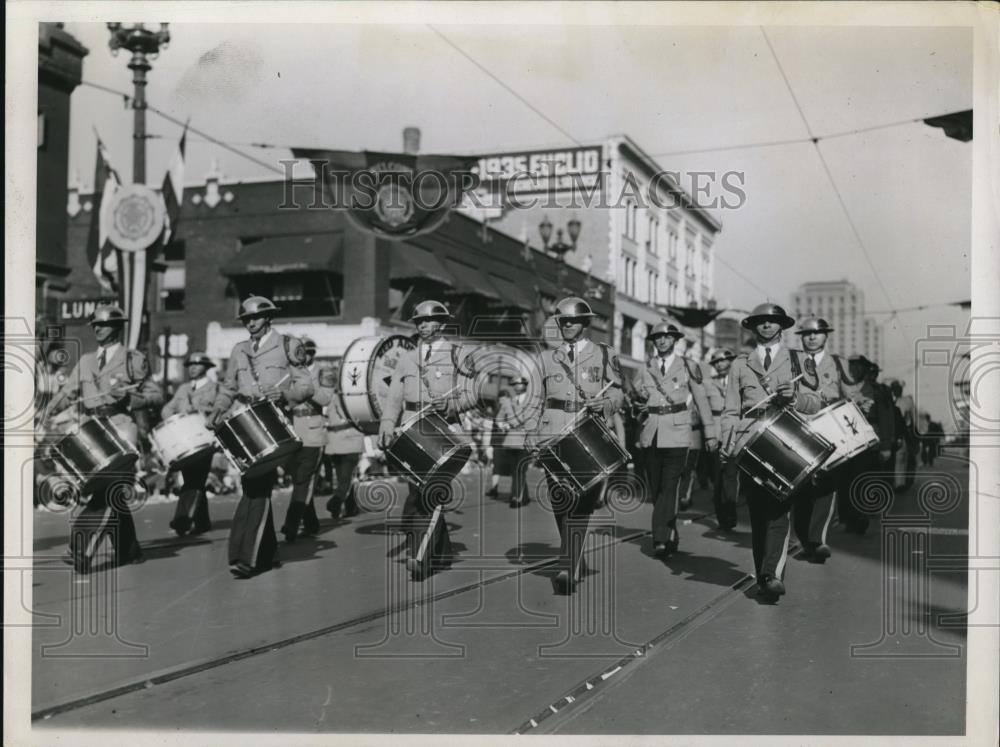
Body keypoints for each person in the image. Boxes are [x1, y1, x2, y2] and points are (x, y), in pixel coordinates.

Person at [42, 304, 163, 573]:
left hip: (120, 426)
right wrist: (45, 411)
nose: (97, 328)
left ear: (117, 327)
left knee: (107, 487)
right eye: (94, 325)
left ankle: (79, 548)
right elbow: (67, 393)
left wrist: (130, 397)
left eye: (103, 324)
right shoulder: (85, 361)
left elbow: (156, 395)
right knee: (109, 490)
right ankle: (129, 550)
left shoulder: (133, 360)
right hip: (92, 429)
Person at [721, 303, 823, 603]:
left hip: (785, 441)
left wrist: (796, 398)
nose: (766, 326)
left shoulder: (799, 360)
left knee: (778, 508)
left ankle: (771, 574)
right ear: (753, 327)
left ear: (782, 326)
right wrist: (726, 443)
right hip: (750, 443)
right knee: (757, 513)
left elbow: (816, 403)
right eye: (761, 322)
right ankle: (764, 574)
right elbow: (730, 409)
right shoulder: (741, 363)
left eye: (772, 321)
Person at [209, 296, 314, 579]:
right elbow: (229, 386)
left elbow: (306, 385)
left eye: (255, 318)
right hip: (245, 421)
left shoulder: (288, 345)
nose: (250, 324)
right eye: (245, 320)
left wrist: (287, 394)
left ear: (268, 318)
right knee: (252, 484)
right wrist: (218, 409)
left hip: (273, 421)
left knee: (258, 484)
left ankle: (247, 557)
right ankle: (266, 554)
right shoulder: (239, 350)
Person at [531, 297, 624, 594]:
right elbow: (534, 399)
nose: (567, 325)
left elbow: (620, 394)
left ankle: (567, 567)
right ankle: (572, 556)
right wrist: (530, 434)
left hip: (589, 433)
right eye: (563, 321)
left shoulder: (605, 354)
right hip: (552, 434)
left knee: (581, 502)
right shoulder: (546, 358)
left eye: (573, 320)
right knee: (560, 500)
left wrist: (606, 404)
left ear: (586, 323)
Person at [378, 300, 471, 581]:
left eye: (429, 321)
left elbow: (473, 393)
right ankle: (440, 554)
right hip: (410, 429)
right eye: (419, 322)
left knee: (430, 491)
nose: (423, 326)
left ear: (441, 323)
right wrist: (386, 423)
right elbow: (394, 396)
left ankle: (420, 556)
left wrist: (453, 405)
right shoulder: (407, 358)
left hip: (442, 429)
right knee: (418, 492)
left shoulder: (458, 354)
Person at [633, 321, 717, 558]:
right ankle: (670, 535)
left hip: (679, 434)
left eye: (667, 337)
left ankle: (659, 538)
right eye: (657, 337)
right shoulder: (645, 368)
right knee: (657, 487)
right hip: (651, 434)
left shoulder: (688, 366)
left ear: (675, 340)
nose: (662, 341)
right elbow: (636, 401)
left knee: (670, 487)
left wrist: (710, 433)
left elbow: (701, 402)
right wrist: (637, 404)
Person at [790, 318, 869, 561]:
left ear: (826, 336)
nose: (812, 337)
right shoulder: (792, 361)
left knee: (827, 485)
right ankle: (803, 538)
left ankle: (817, 540)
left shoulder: (837, 362)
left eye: (817, 333)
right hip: (800, 427)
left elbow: (851, 391)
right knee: (800, 486)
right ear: (801, 337)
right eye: (807, 334)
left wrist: (863, 402)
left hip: (831, 428)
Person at [160, 352, 224, 536]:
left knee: (195, 479)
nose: (193, 368)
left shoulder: (216, 389)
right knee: (193, 480)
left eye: (198, 364)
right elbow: (167, 409)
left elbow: (221, 411)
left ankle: (182, 520)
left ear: (207, 367)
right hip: (183, 441)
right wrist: (173, 416)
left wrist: (198, 410)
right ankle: (202, 522)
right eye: (190, 365)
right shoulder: (183, 389)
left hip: (204, 439)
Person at [281, 336, 333, 542]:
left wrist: (305, 386)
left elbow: (325, 398)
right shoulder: (288, 372)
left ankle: (291, 524)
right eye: (300, 352)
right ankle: (311, 523)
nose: (304, 356)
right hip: (292, 431)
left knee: (304, 480)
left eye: (308, 352)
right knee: (299, 480)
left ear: (313, 353)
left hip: (313, 431)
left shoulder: (324, 372)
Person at [840, 356, 895, 534]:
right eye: (851, 366)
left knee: (865, 480)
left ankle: (861, 515)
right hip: (847, 442)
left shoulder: (877, 390)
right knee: (846, 481)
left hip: (870, 442)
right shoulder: (843, 388)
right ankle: (849, 517)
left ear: (864, 369)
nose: (854, 370)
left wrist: (886, 445)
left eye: (858, 367)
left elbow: (886, 418)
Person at [324, 362, 365, 519]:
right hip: (336, 442)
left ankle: (336, 502)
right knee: (343, 477)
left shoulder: (346, 396)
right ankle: (350, 507)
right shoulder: (332, 396)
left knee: (345, 477)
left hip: (349, 441)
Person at [494, 375, 539, 508]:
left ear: (525, 385)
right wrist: (504, 426)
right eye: (514, 385)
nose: (516, 387)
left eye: (519, 384)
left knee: (520, 469)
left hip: (526, 439)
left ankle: (516, 498)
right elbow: (499, 418)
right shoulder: (508, 402)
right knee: (515, 470)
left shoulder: (532, 401)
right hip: (511, 440)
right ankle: (524, 497)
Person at [707, 347, 739, 531]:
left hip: (735, 432)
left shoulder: (738, 381)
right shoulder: (708, 384)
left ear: (731, 361)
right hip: (716, 434)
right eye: (716, 362)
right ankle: (722, 516)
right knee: (718, 478)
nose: (719, 365)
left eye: (722, 361)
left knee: (731, 477)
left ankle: (731, 511)